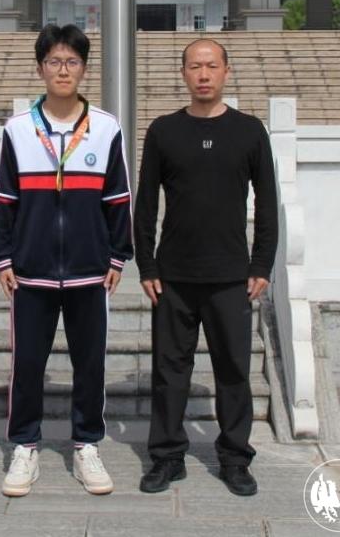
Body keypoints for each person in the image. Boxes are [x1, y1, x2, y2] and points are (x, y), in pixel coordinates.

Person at [0, 24, 133, 497]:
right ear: (40, 69)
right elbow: (5, 198)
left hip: (90, 272)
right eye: (54, 61)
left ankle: (87, 445)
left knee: (90, 364)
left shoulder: (106, 128)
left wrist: (118, 256)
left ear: (84, 69)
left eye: (72, 61)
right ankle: (24, 447)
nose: (63, 70)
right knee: (27, 364)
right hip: (30, 273)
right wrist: (3, 257)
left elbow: (118, 198)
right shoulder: (18, 129)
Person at [133, 38, 277, 497]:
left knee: (233, 372)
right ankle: (166, 457)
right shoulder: (164, 131)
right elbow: (144, 203)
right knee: (169, 372)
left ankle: (235, 458)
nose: (203, 75)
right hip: (173, 277)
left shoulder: (250, 131)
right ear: (183, 73)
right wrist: (147, 264)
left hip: (231, 276)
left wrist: (262, 262)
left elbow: (268, 203)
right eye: (195, 66)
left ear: (226, 71)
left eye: (212, 66)